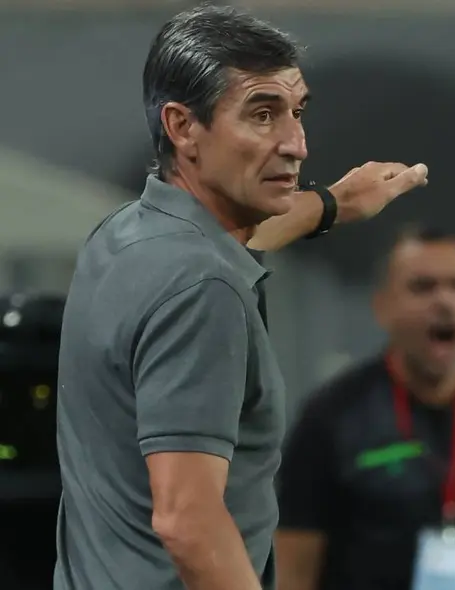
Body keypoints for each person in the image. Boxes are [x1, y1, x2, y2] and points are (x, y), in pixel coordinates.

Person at [53, 7, 427, 590]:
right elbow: (188, 522)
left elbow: (238, 236)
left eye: (296, 112)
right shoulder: (204, 289)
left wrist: (333, 204)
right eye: (262, 114)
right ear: (182, 126)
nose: (296, 144)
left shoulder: (125, 234)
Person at [276, 227, 455, 590]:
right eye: (422, 287)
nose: (445, 301)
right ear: (382, 306)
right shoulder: (332, 417)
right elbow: (294, 572)